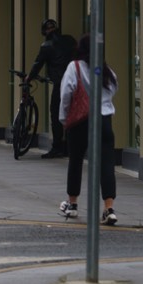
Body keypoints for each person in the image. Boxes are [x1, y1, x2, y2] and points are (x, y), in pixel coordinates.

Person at [58, 33, 118, 225]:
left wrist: (64, 117)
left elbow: (66, 93)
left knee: (75, 161)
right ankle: (108, 209)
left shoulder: (74, 67)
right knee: (107, 164)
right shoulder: (106, 70)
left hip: (81, 121)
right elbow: (113, 89)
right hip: (104, 120)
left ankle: (72, 204)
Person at [25, 18, 76, 158]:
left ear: (44, 32)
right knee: (73, 113)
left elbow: (38, 64)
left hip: (60, 84)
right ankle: (72, 146)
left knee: (56, 113)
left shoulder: (46, 46)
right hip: (75, 82)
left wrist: (29, 77)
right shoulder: (70, 40)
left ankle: (57, 147)